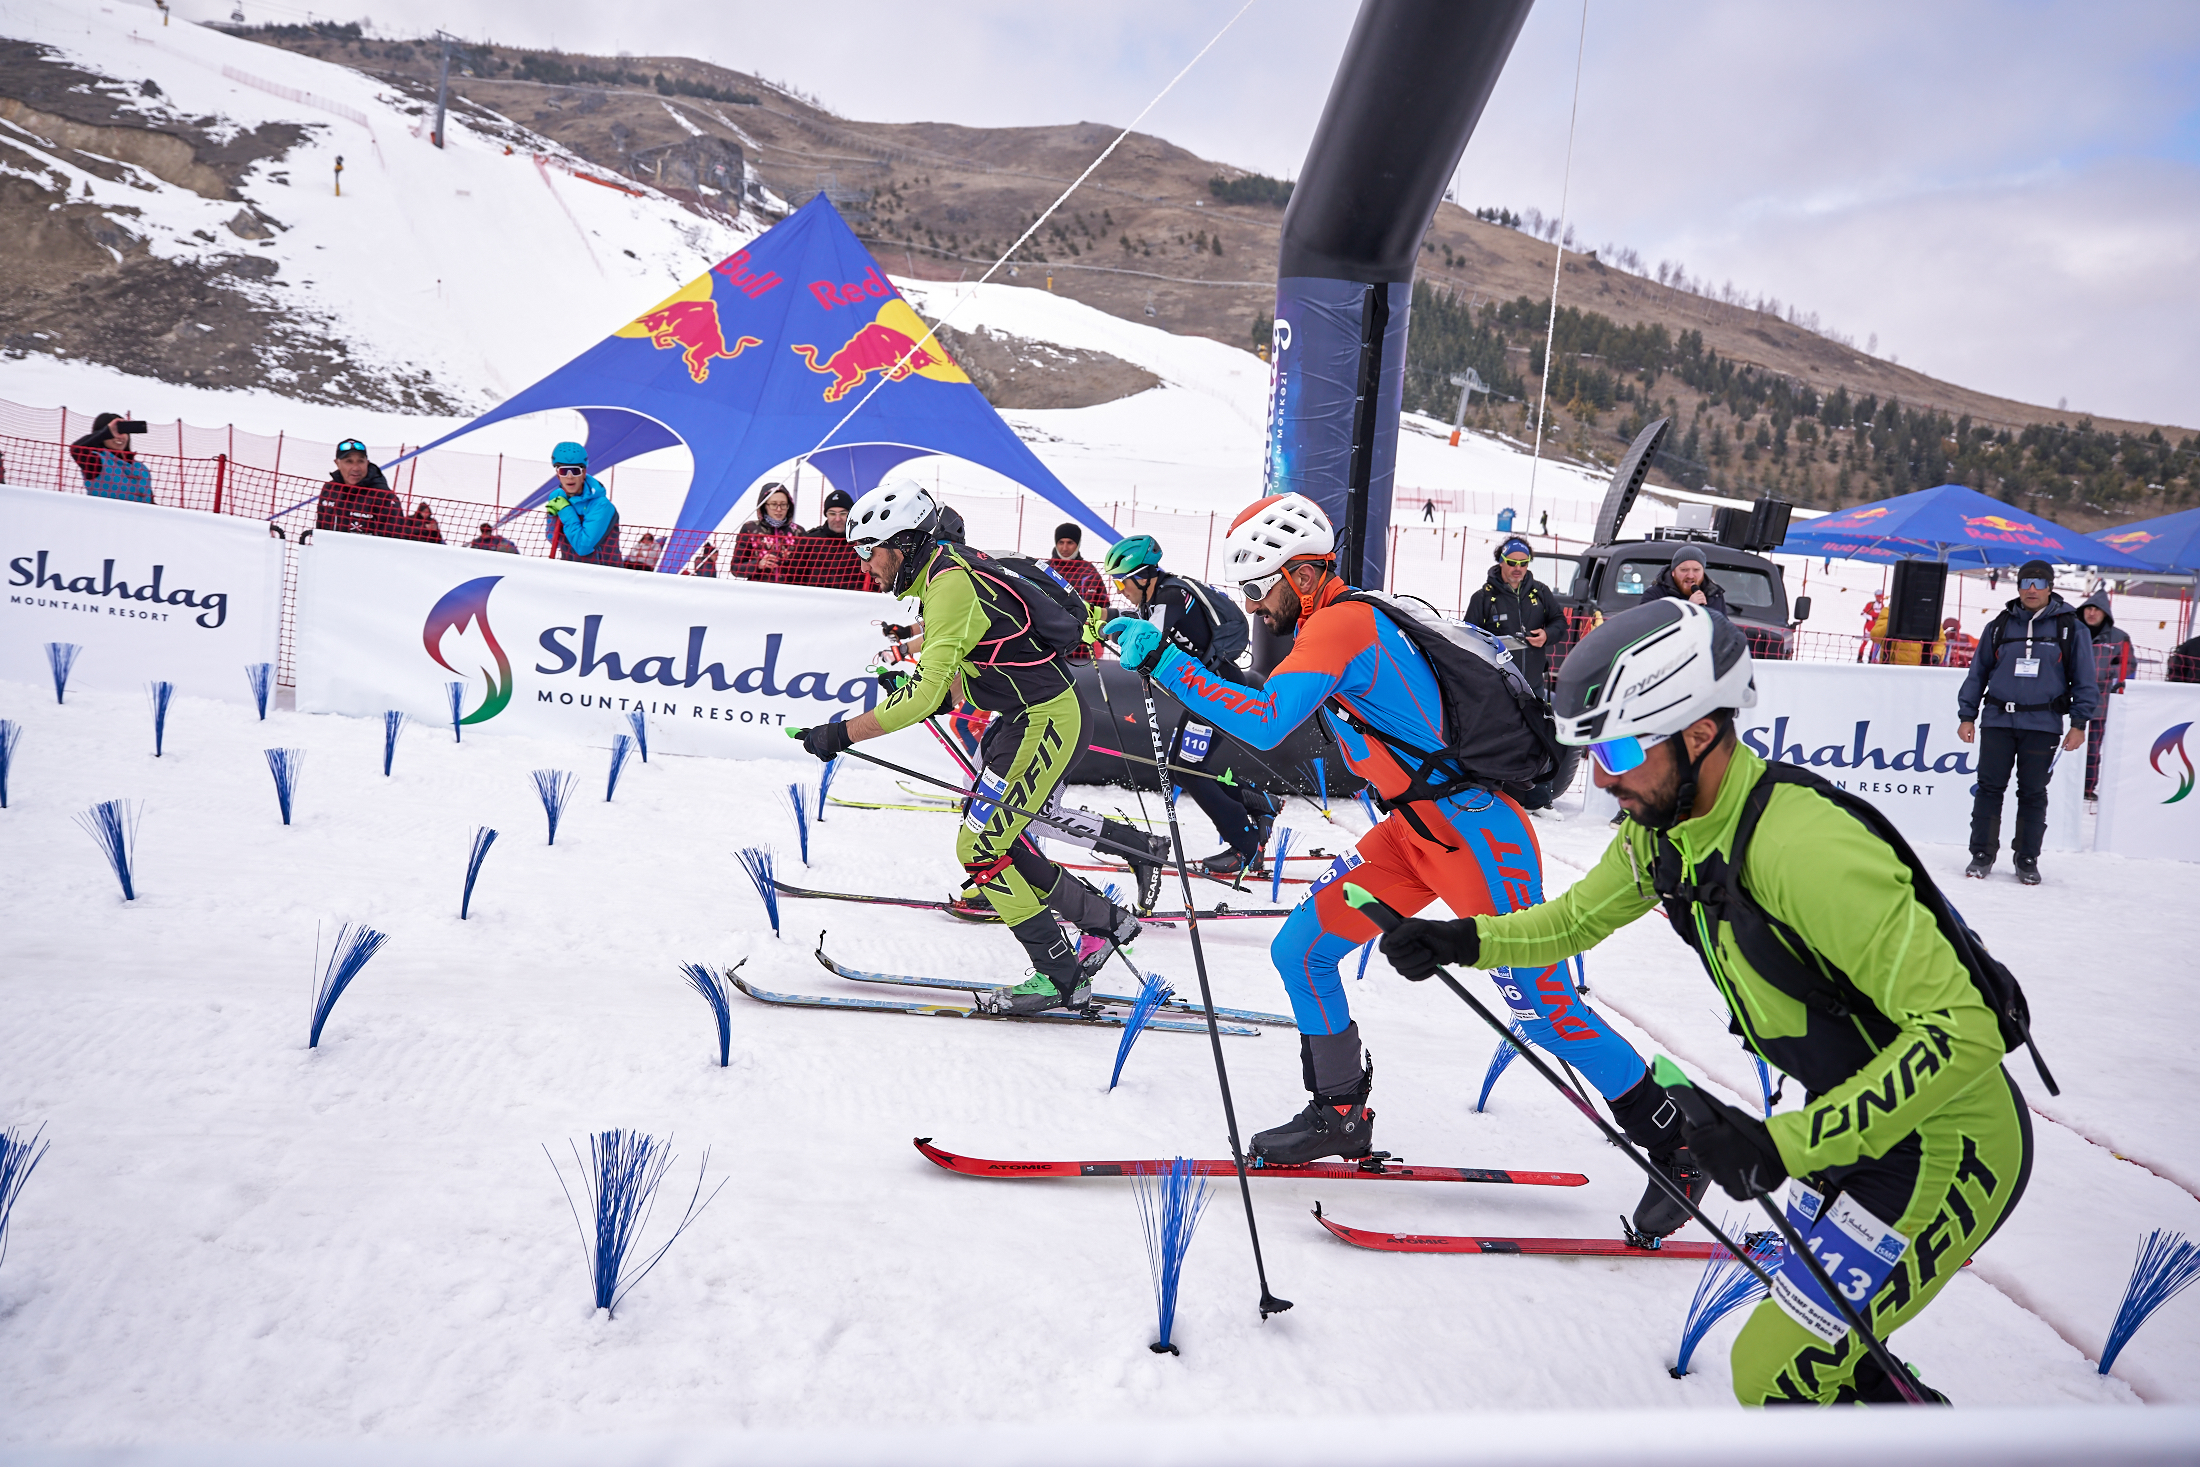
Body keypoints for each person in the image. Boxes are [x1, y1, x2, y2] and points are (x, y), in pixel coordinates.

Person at [1378, 598, 2036, 1405]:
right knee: (1835, 1351)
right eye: (1591, 753)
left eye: (1619, 749)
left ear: (1700, 733)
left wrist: (1785, 1143)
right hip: (1851, 1132)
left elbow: (1964, 1030)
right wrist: (1464, 940)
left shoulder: (1806, 849)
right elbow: (1578, 918)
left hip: (1945, 1143)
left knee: (1773, 1367)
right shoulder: (1667, 828)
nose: (1605, 778)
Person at [1106, 494, 1701, 1242]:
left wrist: (1164, 660)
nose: (1256, 606)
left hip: (1480, 841)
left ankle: (1677, 1138)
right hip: (1411, 837)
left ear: (1299, 571)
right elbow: (1274, 703)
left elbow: (1265, 720)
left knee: (1543, 1010)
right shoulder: (1330, 621)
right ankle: (1340, 1111)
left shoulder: (1343, 622)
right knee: (1303, 949)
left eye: (1260, 588)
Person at [792, 479, 1171, 1016]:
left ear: (901, 545)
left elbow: (927, 696)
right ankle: (1104, 922)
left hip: (1047, 720)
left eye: (868, 551)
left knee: (980, 847)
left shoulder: (949, 585)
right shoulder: (944, 573)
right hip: (1024, 719)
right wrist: (921, 690)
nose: (864, 565)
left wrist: (841, 734)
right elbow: (980, 667)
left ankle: (1061, 977)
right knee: (1000, 839)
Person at [1101, 533, 1278, 879]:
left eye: (1123, 583)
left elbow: (1149, 639)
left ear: (1143, 576)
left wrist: (1125, 639)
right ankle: (1257, 801)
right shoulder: (1157, 601)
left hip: (1219, 693)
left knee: (1187, 770)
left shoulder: (1169, 595)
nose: (1121, 590)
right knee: (1185, 766)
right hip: (1207, 692)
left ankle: (1246, 846)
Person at [1956, 559, 2095, 885]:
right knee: (1989, 789)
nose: (2031, 590)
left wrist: (2079, 723)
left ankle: (2027, 857)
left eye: (2039, 583)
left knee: (2033, 793)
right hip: (1998, 721)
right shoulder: (2000, 626)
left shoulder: (2071, 628)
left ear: (2050, 587)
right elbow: (1977, 674)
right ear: (2017, 586)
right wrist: (1967, 715)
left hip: (2042, 723)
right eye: (2026, 583)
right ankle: (1982, 854)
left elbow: (2086, 679)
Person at [1464, 536, 1558, 689]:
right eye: (1512, 563)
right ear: (1501, 561)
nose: (1518, 568)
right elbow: (1467, 638)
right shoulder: (1483, 598)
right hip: (1496, 686)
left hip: (1533, 684)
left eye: (1523, 563)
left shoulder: (1540, 592)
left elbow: (1558, 621)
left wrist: (1547, 635)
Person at [2078, 590, 2132, 800]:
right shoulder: (2072, 631)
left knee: (2092, 748)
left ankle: (2087, 787)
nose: (2092, 613)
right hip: (2070, 701)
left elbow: (2128, 666)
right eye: (2089, 609)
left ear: (2105, 614)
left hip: (2099, 704)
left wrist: (2107, 677)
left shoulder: (2119, 638)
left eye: (2097, 610)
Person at [544, 442, 624, 566]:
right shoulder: (558, 497)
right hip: (571, 572)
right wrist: (552, 516)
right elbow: (553, 539)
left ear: (584, 472)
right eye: (564, 471)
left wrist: (565, 509)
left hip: (604, 576)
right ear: (558, 474)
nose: (569, 477)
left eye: (575, 471)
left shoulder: (601, 505)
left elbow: (583, 547)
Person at [314, 439, 405, 538]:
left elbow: (395, 540)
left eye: (360, 461)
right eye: (349, 461)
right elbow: (320, 531)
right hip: (330, 551)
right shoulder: (330, 489)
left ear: (367, 462)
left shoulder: (382, 495)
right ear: (337, 463)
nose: (356, 468)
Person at [69, 413, 155, 503]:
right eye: (113, 433)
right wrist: (107, 432)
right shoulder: (96, 462)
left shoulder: (142, 469)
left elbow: (151, 503)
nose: (119, 436)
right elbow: (77, 449)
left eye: (123, 431)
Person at [731, 482, 804, 582]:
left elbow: (807, 568)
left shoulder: (798, 532)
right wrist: (758, 564)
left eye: (783, 505)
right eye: (774, 504)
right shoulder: (750, 528)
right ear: (764, 505)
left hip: (789, 592)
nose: (779, 509)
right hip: (758, 591)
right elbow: (735, 569)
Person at [1645, 543, 1729, 616]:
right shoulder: (1655, 595)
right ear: (1673, 572)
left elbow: (1723, 630)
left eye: (1696, 570)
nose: (1690, 576)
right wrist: (1688, 608)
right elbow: (1646, 625)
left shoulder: (1715, 595)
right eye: (1684, 570)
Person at [1048, 523, 1109, 612]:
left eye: (1070, 543)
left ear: (1078, 544)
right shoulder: (1045, 569)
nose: (1065, 548)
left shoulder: (1089, 571)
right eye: (1061, 542)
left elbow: (1104, 605)